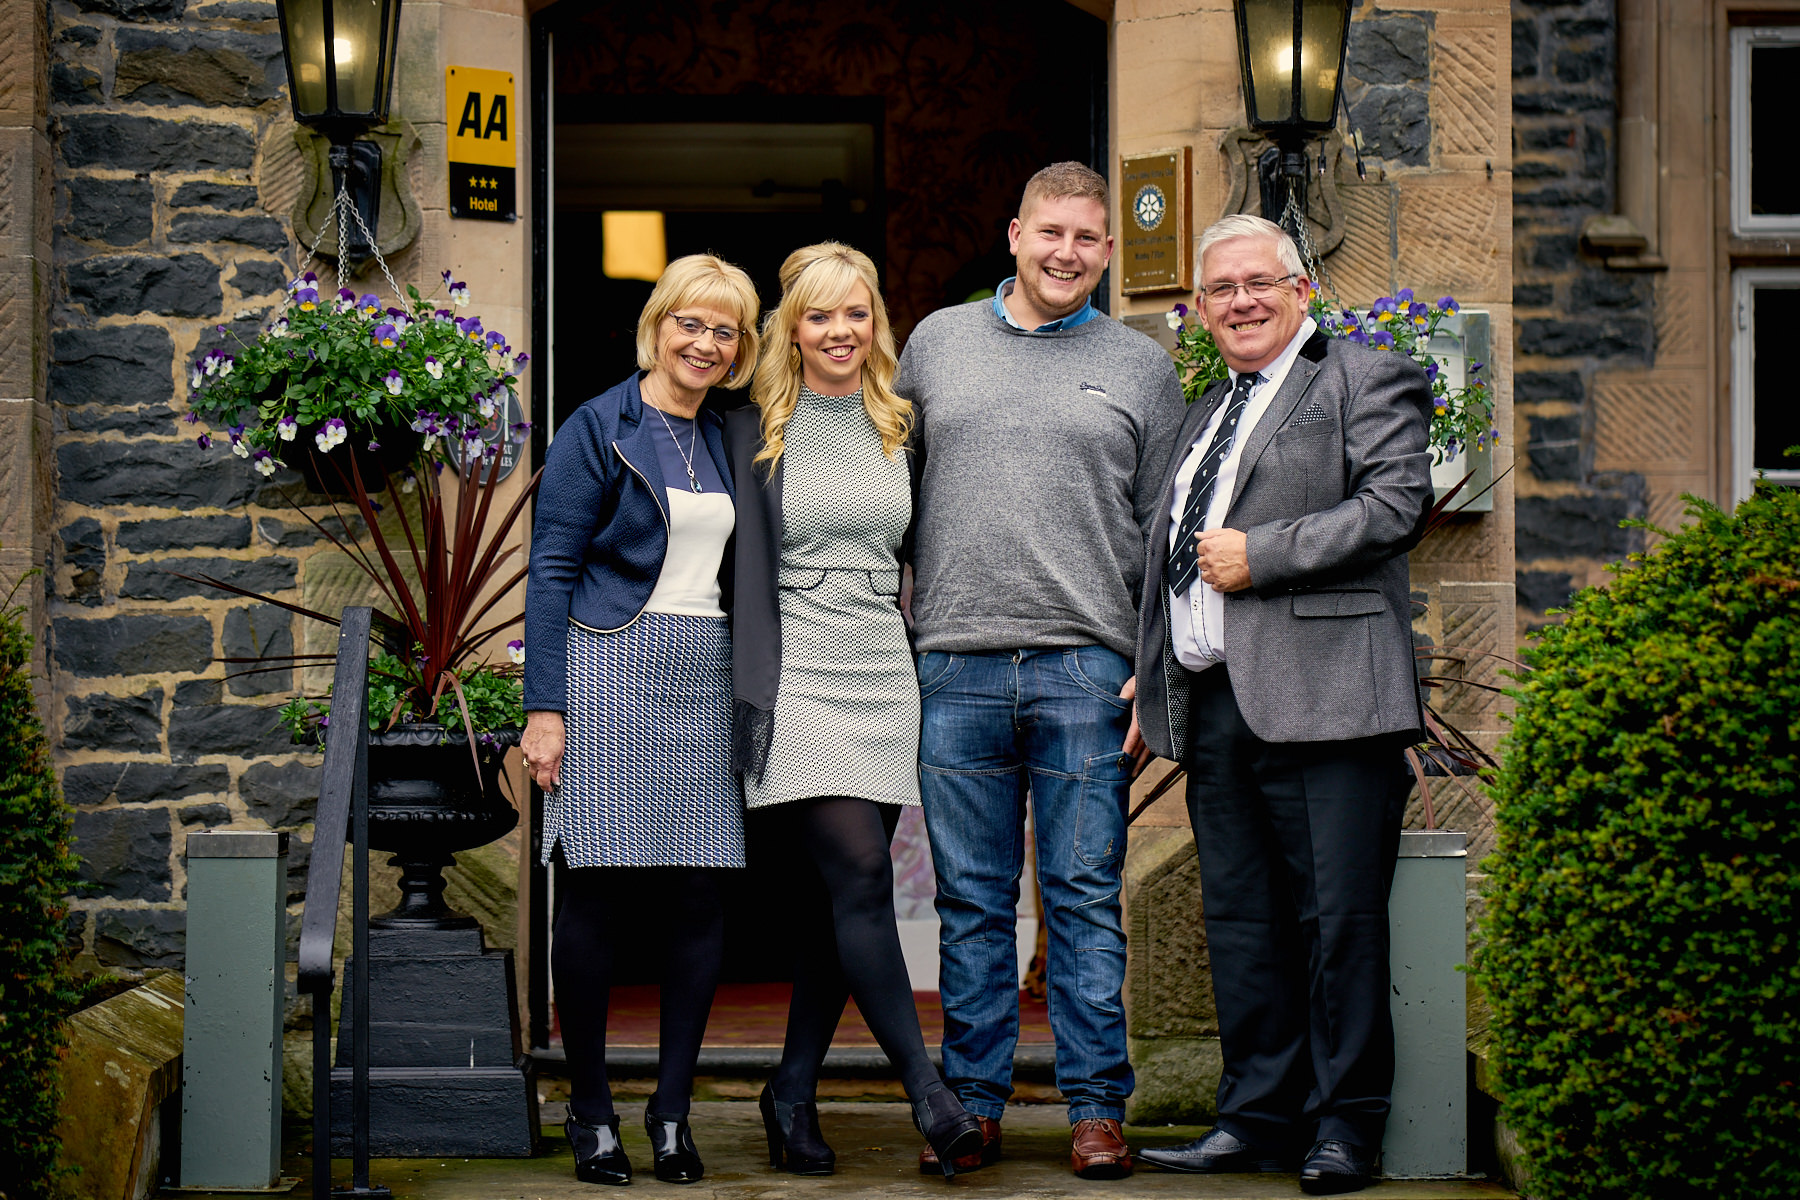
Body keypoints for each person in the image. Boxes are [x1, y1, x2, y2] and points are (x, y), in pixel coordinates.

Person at [894, 161, 1187, 1179]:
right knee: (971, 904)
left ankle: (1097, 1109)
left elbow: (1165, 539)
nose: (1066, 254)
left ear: (1109, 253)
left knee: (1081, 897)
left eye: (1086, 240)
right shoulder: (934, 344)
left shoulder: (1143, 365)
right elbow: (894, 503)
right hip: (956, 666)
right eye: (1049, 233)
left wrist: (1153, 674)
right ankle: (972, 1106)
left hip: (1084, 670)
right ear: (1016, 234)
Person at [1131, 214, 1433, 1196]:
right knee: (1245, 923)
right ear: (1203, 310)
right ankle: (1255, 1118)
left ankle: (1344, 1128)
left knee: (1337, 923)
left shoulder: (1362, 375)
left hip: (1334, 702)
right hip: (1218, 704)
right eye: (1221, 290)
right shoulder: (1205, 408)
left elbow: (1393, 507)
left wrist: (1262, 557)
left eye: (1259, 283)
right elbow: (1168, 554)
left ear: (1302, 290)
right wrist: (1154, 666)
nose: (1242, 302)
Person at [726, 242, 983, 1179]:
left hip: (882, 666)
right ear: (790, 328)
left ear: (877, 323)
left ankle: (792, 1090)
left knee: (839, 900)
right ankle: (930, 1091)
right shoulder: (750, 427)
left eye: (858, 314)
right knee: (864, 872)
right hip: (792, 671)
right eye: (821, 315)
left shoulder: (900, 423)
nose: (841, 331)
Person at [521, 253, 760, 1187]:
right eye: (689, 324)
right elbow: (549, 568)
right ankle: (589, 1110)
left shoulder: (736, 435)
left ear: (740, 350)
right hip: (608, 666)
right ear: (657, 326)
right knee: (600, 893)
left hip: (705, 669)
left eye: (725, 331)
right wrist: (545, 708)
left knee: (702, 895)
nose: (704, 344)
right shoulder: (599, 424)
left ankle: (670, 1113)